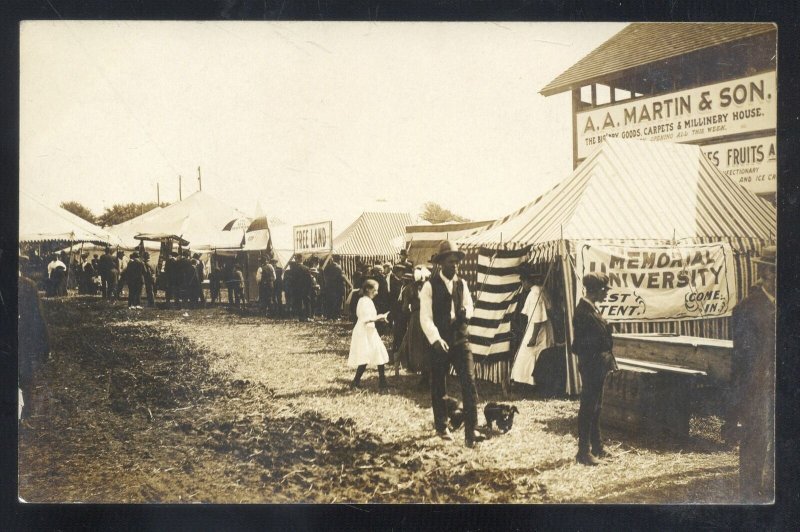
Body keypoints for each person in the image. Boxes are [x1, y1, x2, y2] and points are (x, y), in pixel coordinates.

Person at [722, 245, 775, 502]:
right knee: (755, 444)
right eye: (778, 272)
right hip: (758, 390)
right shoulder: (748, 309)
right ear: (765, 272)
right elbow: (743, 364)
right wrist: (737, 408)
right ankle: (749, 501)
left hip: (781, 388)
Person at [420, 240, 484, 448]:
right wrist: (436, 339)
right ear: (441, 263)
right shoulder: (429, 286)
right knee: (439, 383)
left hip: (460, 338)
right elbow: (425, 318)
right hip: (440, 340)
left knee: (469, 381)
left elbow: (469, 306)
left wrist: (466, 312)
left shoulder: (462, 284)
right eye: (450, 262)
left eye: (456, 262)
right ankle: (441, 425)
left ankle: (471, 430)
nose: (454, 265)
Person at [571, 272, 618, 466]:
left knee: (596, 406)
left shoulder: (591, 310)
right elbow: (581, 344)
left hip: (597, 365)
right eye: (604, 290)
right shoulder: (583, 312)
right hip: (591, 365)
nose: (606, 293)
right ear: (596, 290)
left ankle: (597, 447)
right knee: (588, 407)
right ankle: (583, 452)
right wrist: (606, 330)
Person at [18, 256, 50, 420]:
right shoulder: (27, 285)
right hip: (22, 338)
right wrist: (45, 344)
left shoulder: (27, 285)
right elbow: (38, 317)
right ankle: (24, 416)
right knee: (24, 375)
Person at [510, 270, 554, 387]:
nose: (523, 285)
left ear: (527, 281)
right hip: (540, 328)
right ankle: (533, 381)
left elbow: (538, 316)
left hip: (538, 329)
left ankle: (529, 382)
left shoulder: (535, 293)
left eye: (523, 282)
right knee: (537, 354)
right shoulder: (541, 290)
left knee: (529, 354)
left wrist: (533, 337)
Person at [348, 279, 390, 392]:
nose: (376, 293)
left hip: (370, 329)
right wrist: (379, 317)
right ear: (368, 289)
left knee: (378, 352)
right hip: (364, 331)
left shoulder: (367, 301)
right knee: (364, 356)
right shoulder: (364, 301)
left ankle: (382, 381)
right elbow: (365, 319)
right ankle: (355, 382)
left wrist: (379, 318)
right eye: (375, 290)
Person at [399, 265, 431, 387]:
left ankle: (420, 369)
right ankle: (427, 371)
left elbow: (404, 308)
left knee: (417, 344)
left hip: (417, 318)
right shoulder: (429, 287)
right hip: (427, 317)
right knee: (427, 344)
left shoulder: (408, 289)